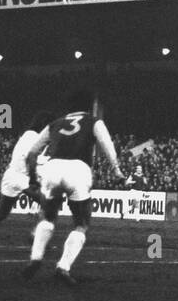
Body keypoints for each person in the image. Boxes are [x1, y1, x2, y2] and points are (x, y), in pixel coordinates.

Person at [22, 90, 129, 286]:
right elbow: (107, 144)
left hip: (52, 168)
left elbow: (31, 153)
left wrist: (32, 179)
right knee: (81, 223)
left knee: (47, 217)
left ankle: (36, 258)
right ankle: (63, 267)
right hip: (78, 169)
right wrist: (117, 171)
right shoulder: (93, 120)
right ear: (89, 106)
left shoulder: (55, 123)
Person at [0, 110, 54, 250]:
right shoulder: (35, 137)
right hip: (22, 177)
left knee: (2, 213)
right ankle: (36, 235)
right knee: (47, 203)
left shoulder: (28, 135)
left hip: (10, 175)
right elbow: (31, 158)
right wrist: (34, 178)